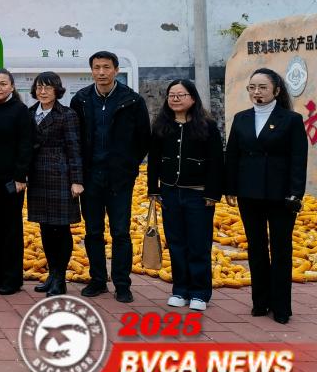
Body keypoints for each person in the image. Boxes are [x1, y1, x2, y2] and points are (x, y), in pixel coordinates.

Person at [225, 68, 308, 324]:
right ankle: (260, 302)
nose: (256, 92)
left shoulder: (291, 119)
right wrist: (230, 187)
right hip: (249, 193)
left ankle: (281, 307)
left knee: (281, 249)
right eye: (252, 87)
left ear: (276, 90)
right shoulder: (241, 118)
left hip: (280, 195)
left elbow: (298, 159)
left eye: (262, 87)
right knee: (256, 247)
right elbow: (233, 155)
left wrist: (296, 193)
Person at [70, 51, 150, 304]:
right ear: (91, 70)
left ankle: (122, 284)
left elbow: (143, 139)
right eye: (97, 67)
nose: (101, 72)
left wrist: (127, 166)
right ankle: (97, 279)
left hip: (119, 179)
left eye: (106, 67)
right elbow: (74, 137)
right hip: (90, 177)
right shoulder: (81, 99)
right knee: (93, 231)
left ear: (116, 70)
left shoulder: (132, 101)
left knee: (120, 232)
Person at [147, 79, 223, 312]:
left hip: (198, 194)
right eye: (172, 95)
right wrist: (153, 188)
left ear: (192, 98)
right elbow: (154, 159)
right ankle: (180, 289)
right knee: (176, 242)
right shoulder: (161, 125)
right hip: (170, 191)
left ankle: (200, 292)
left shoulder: (207, 126)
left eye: (181, 95)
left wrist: (212, 193)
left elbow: (217, 161)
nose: (175, 99)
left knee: (198, 244)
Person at [26, 72, 83, 298]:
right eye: (39, 87)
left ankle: (60, 278)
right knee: (45, 228)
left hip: (60, 176)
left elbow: (74, 148)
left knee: (61, 229)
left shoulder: (67, 115)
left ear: (57, 90)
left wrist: (77, 180)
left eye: (48, 88)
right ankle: (51, 273)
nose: (43, 92)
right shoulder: (30, 113)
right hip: (37, 177)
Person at [0, 69, 35, 295]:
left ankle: (12, 279)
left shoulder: (20, 111)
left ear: (12, 87)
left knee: (11, 228)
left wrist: (21, 175)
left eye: (3, 84)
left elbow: (26, 144)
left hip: (11, 180)